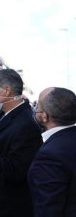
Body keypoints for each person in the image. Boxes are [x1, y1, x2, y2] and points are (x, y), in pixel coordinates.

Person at [0, 69, 43, 217]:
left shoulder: (26, 125)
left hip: (10, 206)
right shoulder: (3, 113)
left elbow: (15, 171)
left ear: (7, 91)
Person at [28, 87, 76, 216]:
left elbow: (48, 208)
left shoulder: (50, 155)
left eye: (38, 106)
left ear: (45, 116)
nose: (35, 109)